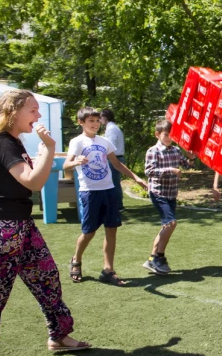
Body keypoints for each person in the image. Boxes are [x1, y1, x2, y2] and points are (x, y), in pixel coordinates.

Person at [0, 90, 91, 356]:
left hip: (22, 226)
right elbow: (33, 181)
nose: (38, 116)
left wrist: (45, 151)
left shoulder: (12, 141)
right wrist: (48, 146)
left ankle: (59, 336)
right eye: (33, 111)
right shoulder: (2, 142)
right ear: (13, 111)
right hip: (3, 231)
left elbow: (37, 177)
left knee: (47, 279)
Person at [64, 107, 147, 285]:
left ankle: (108, 270)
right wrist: (75, 161)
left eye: (97, 121)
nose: (95, 124)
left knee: (111, 230)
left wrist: (136, 178)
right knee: (89, 232)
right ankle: (76, 260)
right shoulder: (77, 142)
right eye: (90, 121)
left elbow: (117, 164)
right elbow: (66, 165)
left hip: (109, 191)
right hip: (89, 192)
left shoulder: (104, 141)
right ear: (81, 123)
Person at [142, 119, 196, 275]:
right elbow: (149, 171)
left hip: (171, 193)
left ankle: (152, 259)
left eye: (172, 135)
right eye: (166, 134)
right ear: (157, 134)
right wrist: (170, 170)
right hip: (158, 192)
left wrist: (191, 158)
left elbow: (187, 165)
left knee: (166, 225)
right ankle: (159, 257)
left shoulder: (176, 150)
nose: (169, 137)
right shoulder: (153, 151)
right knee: (171, 223)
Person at [100, 109, 126, 211]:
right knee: (115, 182)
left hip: (115, 158)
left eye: (100, 118)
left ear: (105, 117)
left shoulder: (111, 129)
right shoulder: (112, 127)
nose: (99, 120)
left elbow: (110, 146)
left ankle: (118, 205)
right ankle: (117, 204)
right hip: (116, 157)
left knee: (114, 183)